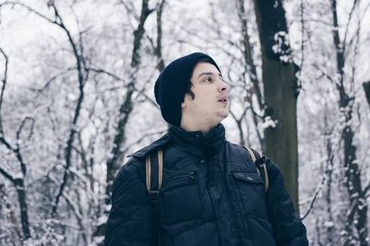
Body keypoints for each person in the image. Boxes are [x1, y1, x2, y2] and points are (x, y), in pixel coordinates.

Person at [104, 52, 308, 246]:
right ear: (181, 98)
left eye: (221, 79)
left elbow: (293, 239)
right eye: (208, 80)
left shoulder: (258, 165)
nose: (224, 86)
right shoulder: (143, 173)